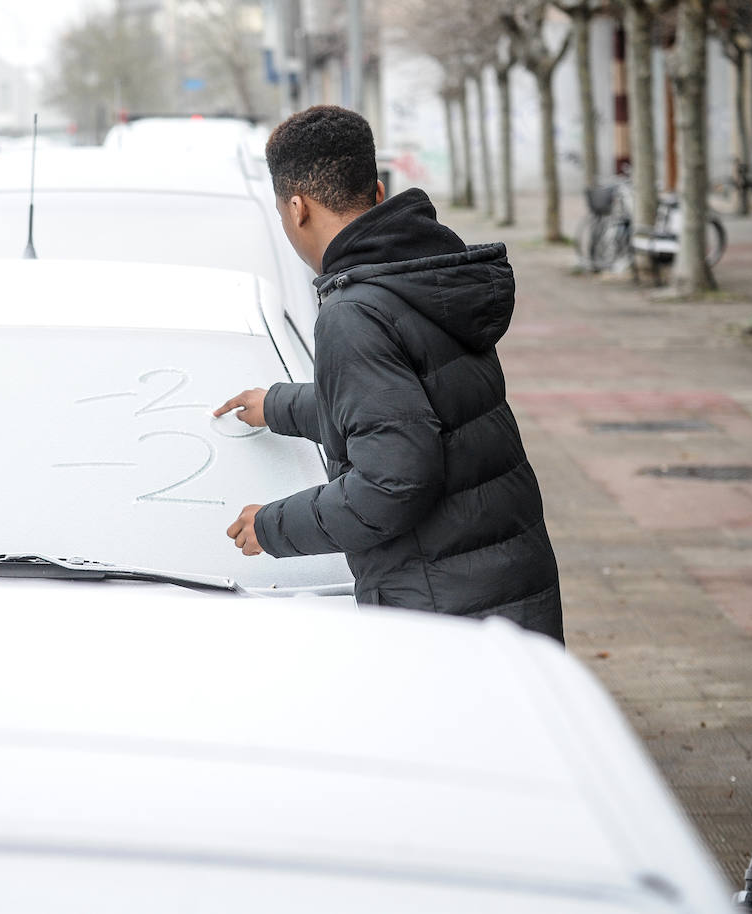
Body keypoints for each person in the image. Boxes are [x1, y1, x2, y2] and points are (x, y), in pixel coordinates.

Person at [214, 105, 563, 642]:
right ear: (376, 194)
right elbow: (405, 399)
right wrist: (280, 405)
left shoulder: (353, 311)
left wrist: (272, 526)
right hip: (503, 583)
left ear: (298, 208)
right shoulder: (423, 275)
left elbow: (393, 482)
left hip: (444, 612)